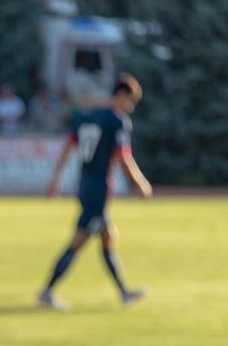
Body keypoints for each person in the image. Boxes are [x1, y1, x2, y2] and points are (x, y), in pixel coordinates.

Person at [39, 73, 153, 311]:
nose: (130, 107)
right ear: (120, 95)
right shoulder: (116, 121)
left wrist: (55, 179)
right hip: (98, 188)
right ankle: (46, 292)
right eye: (130, 101)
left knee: (108, 237)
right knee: (77, 241)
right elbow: (123, 157)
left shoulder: (87, 117)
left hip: (84, 184)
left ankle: (124, 292)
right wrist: (140, 183)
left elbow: (68, 147)